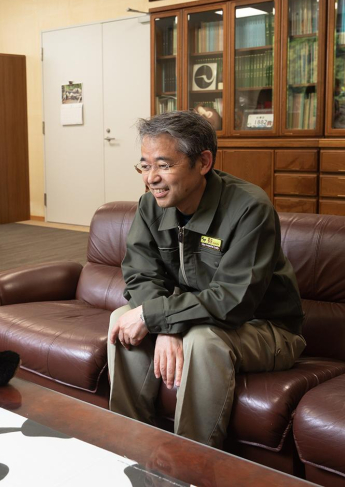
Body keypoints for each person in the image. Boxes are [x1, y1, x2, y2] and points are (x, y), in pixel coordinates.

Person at [108, 110, 305, 449]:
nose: (150, 178)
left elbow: (234, 300)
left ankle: (191, 462)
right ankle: (129, 447)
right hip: (194, 316)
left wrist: (158, 317)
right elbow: (140, 274)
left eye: (164, 165)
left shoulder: (249, 208)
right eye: (145, 165)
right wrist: (165, 325)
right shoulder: (150, 206)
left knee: (202, 339)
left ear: (203, 162)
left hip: (267, 328)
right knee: (121, 319)